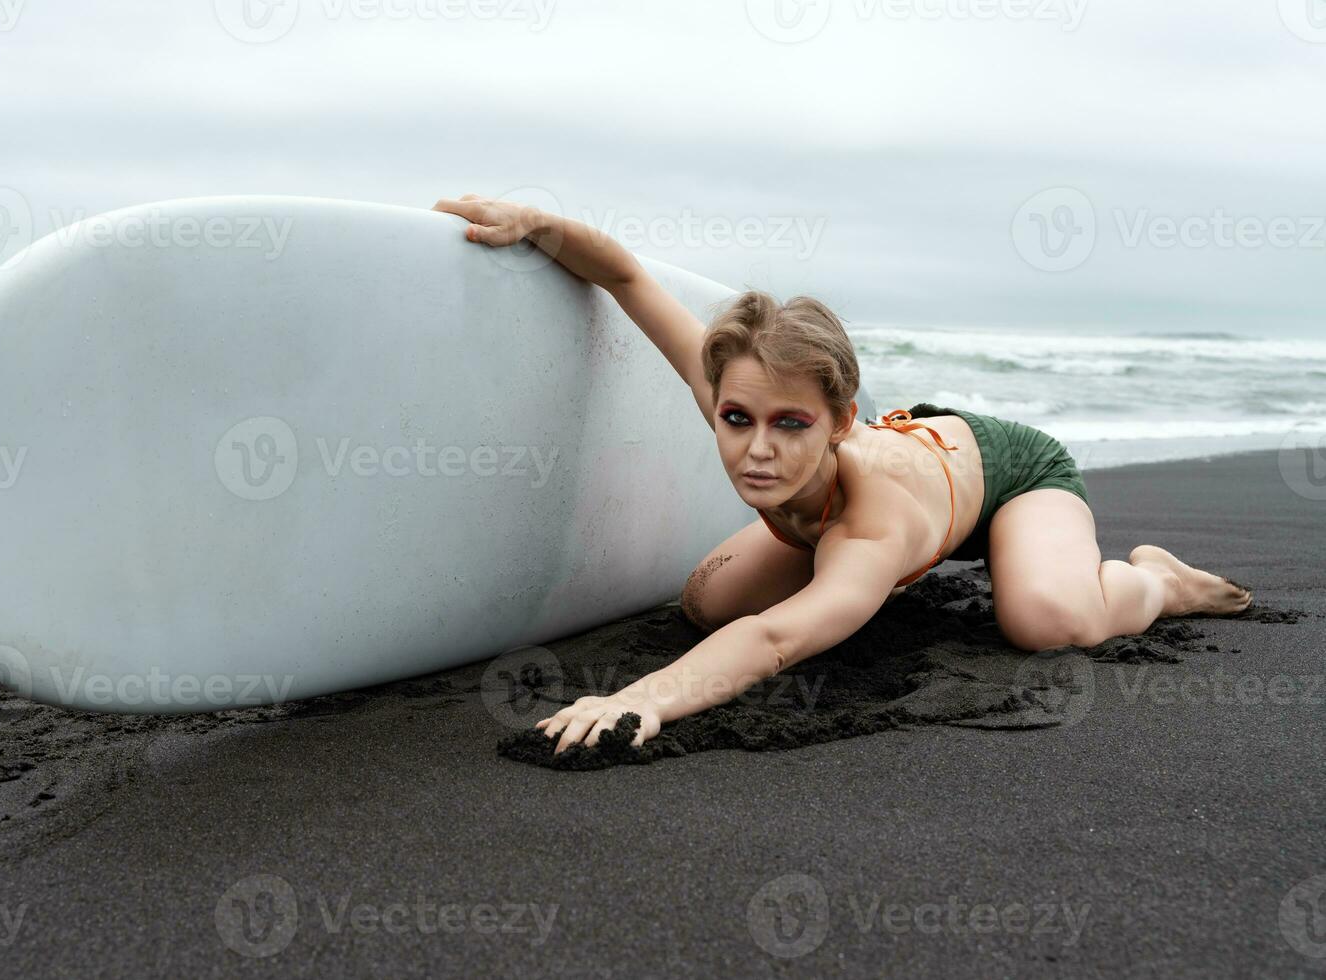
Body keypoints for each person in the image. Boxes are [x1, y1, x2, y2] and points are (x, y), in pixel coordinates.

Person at [431, 194, 1254, 755]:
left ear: (840, 420)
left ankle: (1155, 581)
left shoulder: (871, 522)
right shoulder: (729, 391)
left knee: (1047, 621)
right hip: (901, 475)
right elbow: (626, 277)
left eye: (792, 425)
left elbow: (777, 638)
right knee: (706, 599)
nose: (757, 449)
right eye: (737, 420)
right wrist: (540, 223)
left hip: (1005, 471)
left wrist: (640, 698)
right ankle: (885, 581)